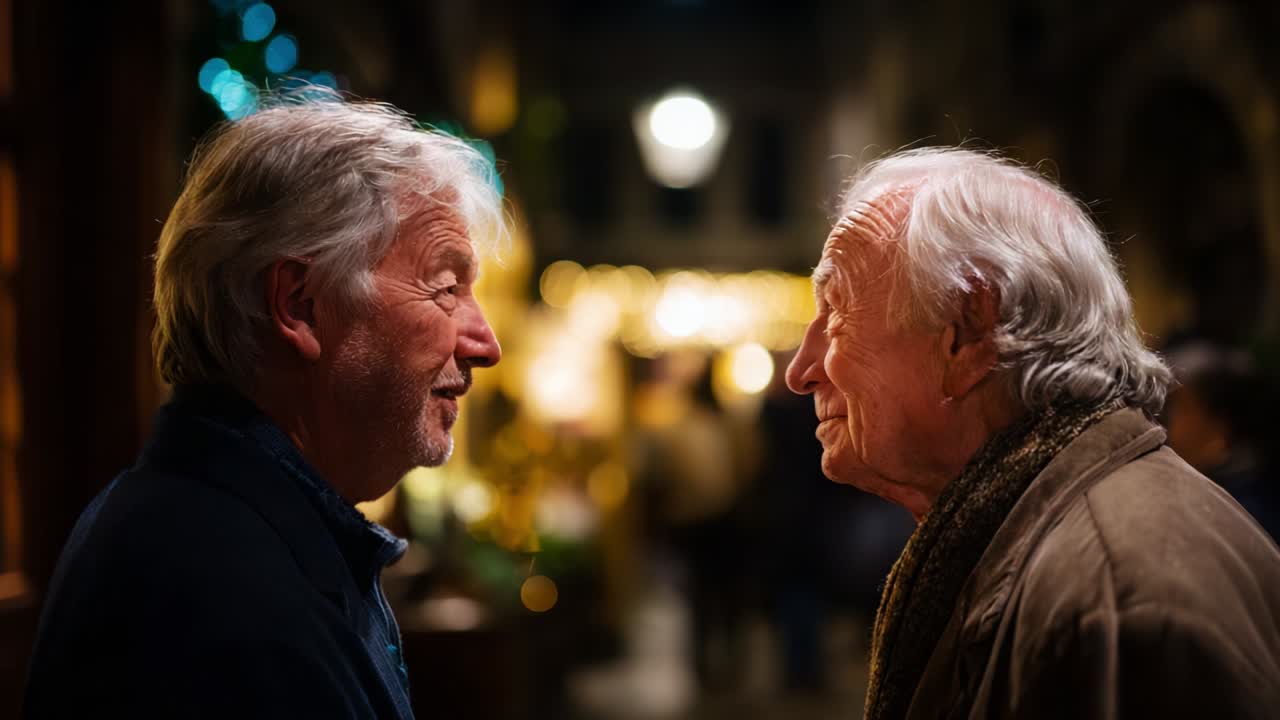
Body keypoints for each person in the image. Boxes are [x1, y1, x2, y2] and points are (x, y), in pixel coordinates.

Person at [24, 91, 504, 719]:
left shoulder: (233, 532)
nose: (485, 344)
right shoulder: (215, 590)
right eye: (444, 288)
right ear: (300, 306)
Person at [784, 147, 1280, 719]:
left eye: (836, 312)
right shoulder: (1080, 559)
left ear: (967, 333)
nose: (801, 371)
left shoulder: (1115, 608)